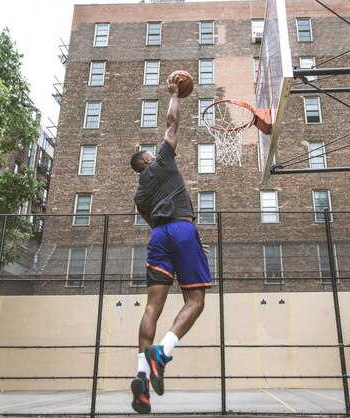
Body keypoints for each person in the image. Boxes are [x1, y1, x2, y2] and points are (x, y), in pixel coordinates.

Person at [129, 73, 212, 414]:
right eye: (150, 151)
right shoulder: (162, 160)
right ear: (147, 160)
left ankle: (141, 379)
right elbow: (171, 122)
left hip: (158, 237)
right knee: (195, 301)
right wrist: (174, 93)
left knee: (152, 308)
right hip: (180, 230)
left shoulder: (139, 194)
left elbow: (151, 222)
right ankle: (162, 352)